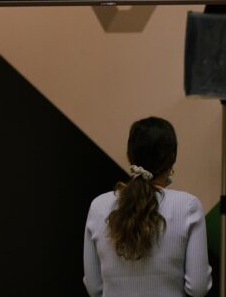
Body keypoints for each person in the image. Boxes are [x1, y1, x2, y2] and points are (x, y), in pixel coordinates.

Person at [83, 117, 212, 297]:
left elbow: (94, 288)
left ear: (129, 155)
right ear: (172, 158)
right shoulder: (188, 206)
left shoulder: (98, 206)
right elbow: (198, 287)